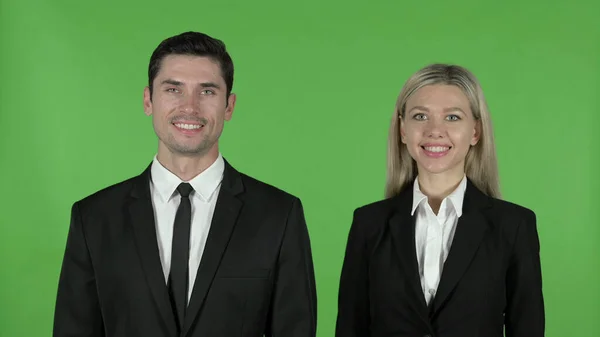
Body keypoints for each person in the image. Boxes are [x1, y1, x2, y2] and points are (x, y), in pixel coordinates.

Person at [53, 31, 317, 337]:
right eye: (173, 89)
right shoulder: (94, 219)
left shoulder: (279, 216)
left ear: (229, 106)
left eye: (207, 92)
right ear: (148, 100)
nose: (190, 107)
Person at [335, 64, 544, 337]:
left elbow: (527, 328)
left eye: (453, 117)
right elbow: (351, 327)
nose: (435, 130)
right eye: (420, 116)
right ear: (402, 130)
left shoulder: (514, 226)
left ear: (475, 132)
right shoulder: (368, 224)